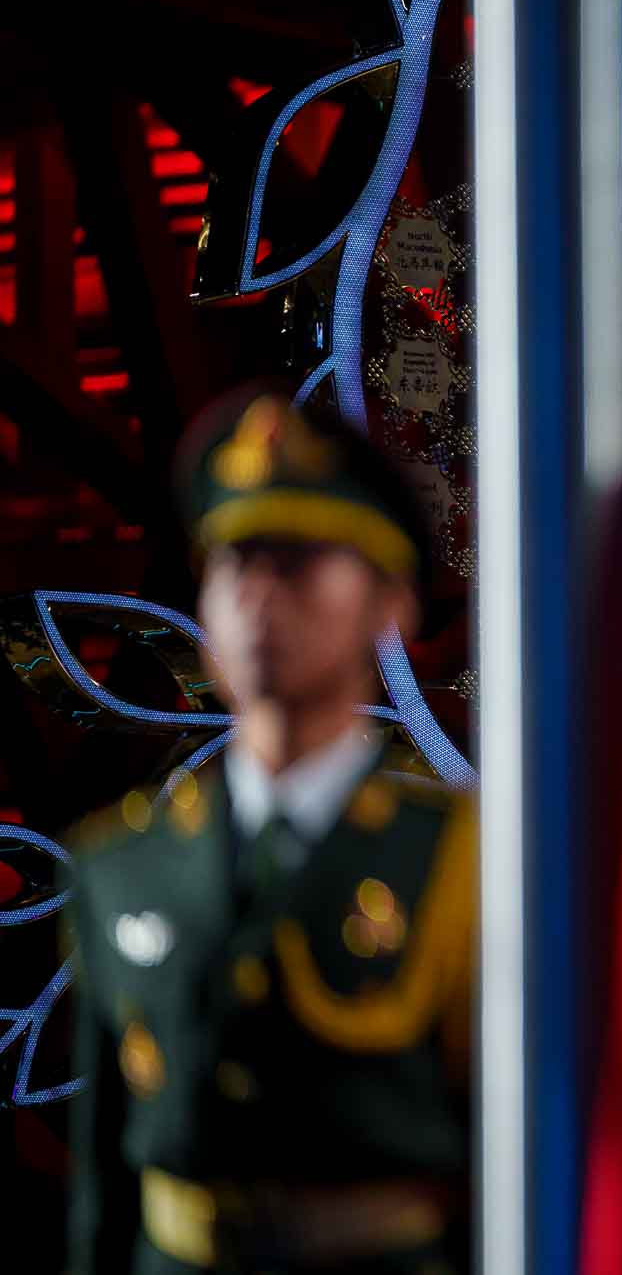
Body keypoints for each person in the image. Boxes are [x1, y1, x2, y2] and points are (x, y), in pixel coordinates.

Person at [62, 383, 475, 1274]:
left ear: (388, 604)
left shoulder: (466, 863)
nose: (258, 595)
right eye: (235, 563)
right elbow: (103, 1190)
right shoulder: (120, 864)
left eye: (297, 562)